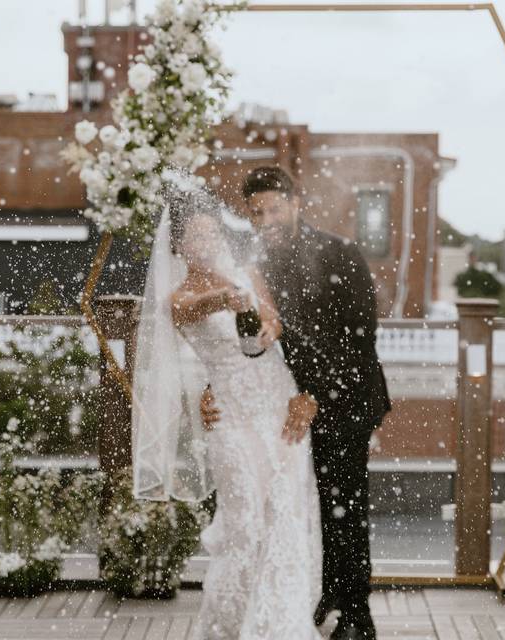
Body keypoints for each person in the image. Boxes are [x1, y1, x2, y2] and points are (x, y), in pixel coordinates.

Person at [203, 166, 390, 640]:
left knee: (343, 506)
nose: (267, 218)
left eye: (275, 207)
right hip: (286, 404)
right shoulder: (256, 263)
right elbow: (252, 342)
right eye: (257, 211)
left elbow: (360, 338)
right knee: (305, 503)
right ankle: (323, 593)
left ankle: (356, 614)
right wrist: (217, 387)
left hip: (347, 401)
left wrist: (317, 397)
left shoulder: (339, 252)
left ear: (296, 203)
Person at [132, 176, 323, 639]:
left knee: (284, 512)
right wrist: (224, 298)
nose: (206, 241)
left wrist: (269, 328)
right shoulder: (176, 297)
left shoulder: (248, 273)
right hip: (231, 416)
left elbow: (273, 322)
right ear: (178, 246)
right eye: (195, 236)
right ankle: (229, 627)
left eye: (211, 232)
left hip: (277, 404)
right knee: (245, 525)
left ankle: (280, 624)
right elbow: (189, 311)